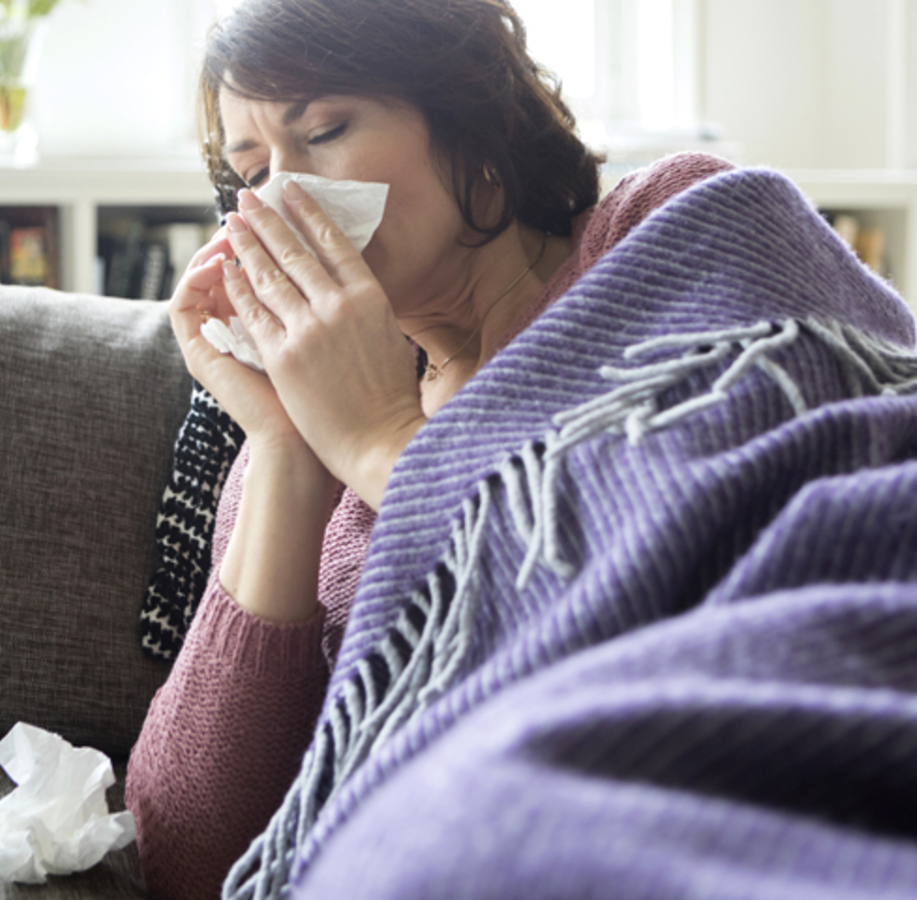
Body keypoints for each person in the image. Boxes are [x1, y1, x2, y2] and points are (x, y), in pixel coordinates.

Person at [124, 1, 733, 896]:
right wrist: (290, 451)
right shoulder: (302, 431)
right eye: (250, 173)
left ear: (473, 128)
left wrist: (379, 441)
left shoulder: (660, 231)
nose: (281, 202)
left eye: (324, 129)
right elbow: (187, 854)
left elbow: (671, 622)